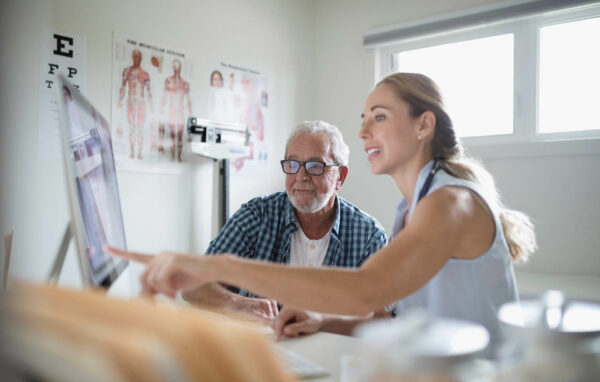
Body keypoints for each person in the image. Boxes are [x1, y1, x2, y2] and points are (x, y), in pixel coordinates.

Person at [109, 73, 536, 351]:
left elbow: (365, 291)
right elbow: (390, 317)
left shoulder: (449, 202)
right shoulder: (414, 208)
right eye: (364, 118)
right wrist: (320, 319)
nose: (364, 130)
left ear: (423, 125)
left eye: (379, 117)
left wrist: (217, 266)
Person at [180, 120, 388, 335]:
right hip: (265, 354)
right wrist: (234, 303)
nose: (301, 177)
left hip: (334, 359)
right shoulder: (256, 217)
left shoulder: (368, 236)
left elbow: (381, 318)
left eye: (315, 166)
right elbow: (192, 284)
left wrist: (323, 321)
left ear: (340, 177)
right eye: (292, 164)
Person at [118, 49, 153, 160]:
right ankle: (132, 152)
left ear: (141, 58)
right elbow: (123, 87)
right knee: (132, 127)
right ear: (132, 57)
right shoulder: (127, 71)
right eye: (134, 56)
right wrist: (120, 100)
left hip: (141, 102)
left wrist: (151, 106)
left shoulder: (145, 74)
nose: (136, 59)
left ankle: (139, 152)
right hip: (131, 101)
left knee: (140, 128)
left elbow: (148, 91)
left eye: (138, 57)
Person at [160, 59, 192, 162]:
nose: (177, 69)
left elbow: (188, 101)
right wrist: (161, 113)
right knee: (172, 136)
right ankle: (173, 157)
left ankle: (178, 157)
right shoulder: (169, 81)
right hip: (172, 111)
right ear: (173, 68)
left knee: (180, 136)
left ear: (181, 68)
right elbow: (164, 98)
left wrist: (191, 116)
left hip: (181, 112)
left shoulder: (185, 84)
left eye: (178, 67)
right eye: (175, 67)